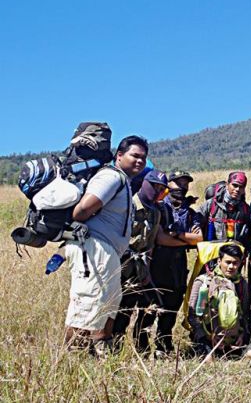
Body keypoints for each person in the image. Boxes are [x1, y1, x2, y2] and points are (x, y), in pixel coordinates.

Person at [65, 135, 146, 355]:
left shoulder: (123, 181)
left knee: (106, 303)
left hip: (106, 251)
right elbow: (82, 210)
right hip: (93, 248)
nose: (140, 161)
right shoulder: (111, 177)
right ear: (119, 156)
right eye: (135, 155)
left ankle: (99, 355)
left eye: (143, 158)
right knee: (87, 302)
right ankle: (74, 359)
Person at [142, 171, 205, 355]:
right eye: (178, 183)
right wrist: (185, 239)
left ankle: (163, 345)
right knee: (151, 306)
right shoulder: (159, 208)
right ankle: (142, 347)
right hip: (157, 263)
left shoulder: (191, 213)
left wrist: (176, 235)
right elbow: (161, 239)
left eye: (185, 184)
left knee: (172, 305)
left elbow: (199, 238)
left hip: (178, 264)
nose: (182, 188)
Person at [112, 169, 171, 352]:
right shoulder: (127, 206)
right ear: (144, 183)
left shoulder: (156, 212)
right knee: (122, 311)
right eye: (154, 185)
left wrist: (146, 271)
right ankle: (114, 349)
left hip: (142, 268)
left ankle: (142, 349)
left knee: (151, 306)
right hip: (121, 266)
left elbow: (150, 244)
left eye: (161, 188)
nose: (157, 190)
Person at [187, 243, 251, 358]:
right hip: (208, 338)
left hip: (234, 339)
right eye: (228, 262)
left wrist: (242, 335)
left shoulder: (242, 284)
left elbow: (245, 313)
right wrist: (207, 336)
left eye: (235, 263)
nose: (231, 267)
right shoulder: (203, 282)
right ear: (219, 261)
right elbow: (193, 316)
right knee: (208, 360)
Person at [197, 171, 251, 249]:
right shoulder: (211, 204)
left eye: (241, 187)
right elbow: (196, 220)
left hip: (235, 255)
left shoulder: (245, 209)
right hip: (213, 253)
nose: (237, 189)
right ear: (227, 185)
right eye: (235, 185)